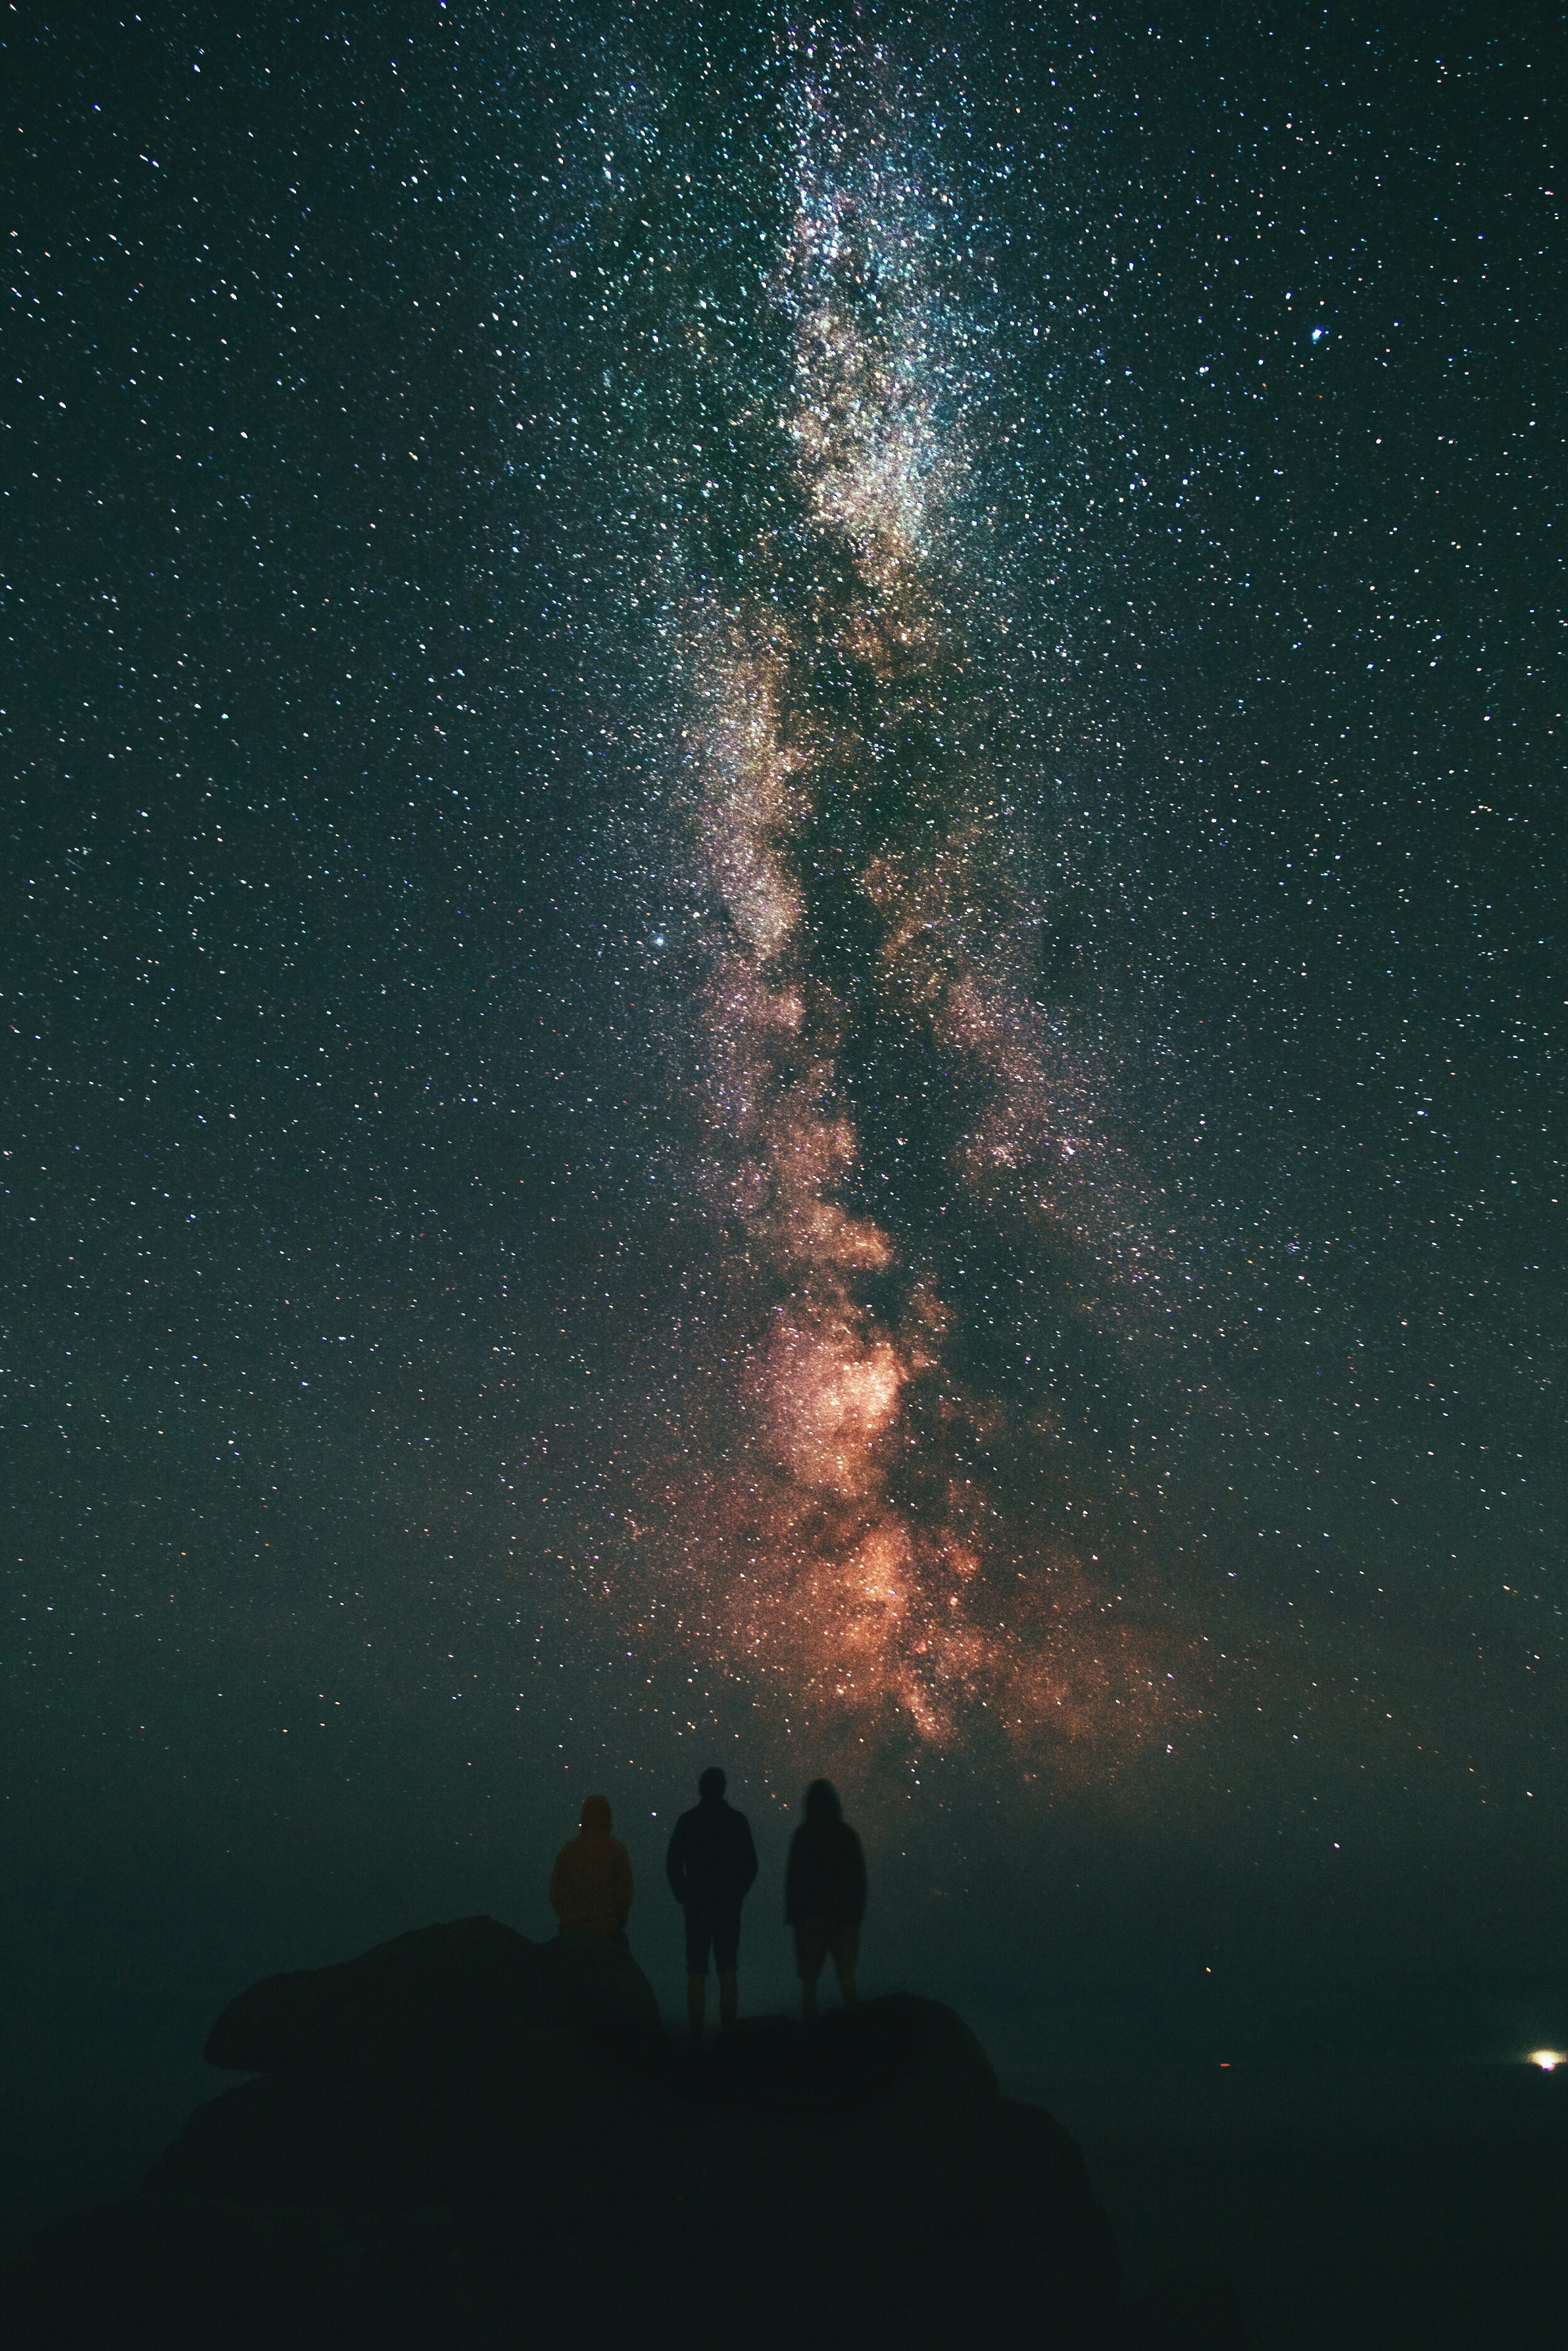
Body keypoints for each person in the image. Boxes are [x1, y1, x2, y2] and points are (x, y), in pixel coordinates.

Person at [665, 1766, 758, 2047]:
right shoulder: (737, 1821)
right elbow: (751, 1866)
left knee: (697, 1971)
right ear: (723, 1789)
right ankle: (729, 2036)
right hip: (728, 1907)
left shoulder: (688, 1821)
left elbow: (672, 1865)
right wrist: (737, 1893)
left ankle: (696, 2039)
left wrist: (684, 1894)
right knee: (727, 1968)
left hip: (697, 1908)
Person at [785, 1778, 866, 2019]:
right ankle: (857, 2033)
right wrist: (855, 1917)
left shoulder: (803, 1835)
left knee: (809, 1984)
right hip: (844, 1919)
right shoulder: (847, 1835)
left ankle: (810, 2040)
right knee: (847, 1979)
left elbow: (794, 1880)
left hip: (810, 1919)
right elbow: (858, 1879)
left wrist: (795, 1917)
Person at [549, 1793, 633, 1941]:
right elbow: (624, 1894)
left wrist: (571, 1920)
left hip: (572, 1932)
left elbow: (557, 1893)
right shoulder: (616, 1851)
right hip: (607, 1932)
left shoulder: (569, 1851)